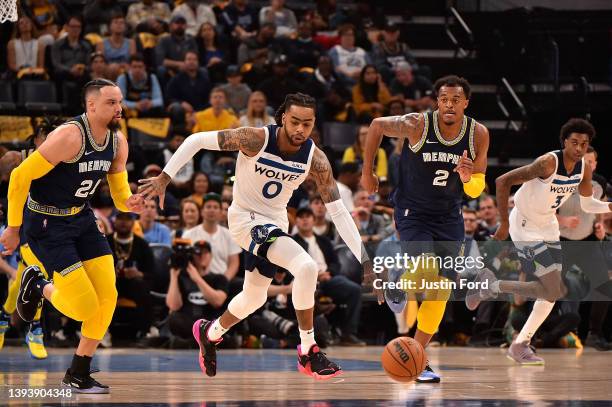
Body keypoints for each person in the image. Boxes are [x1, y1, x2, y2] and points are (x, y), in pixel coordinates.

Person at [139, 92, 379, 380]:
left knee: (253, 298)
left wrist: (366, 261)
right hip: (244, 219)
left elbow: (340, 214)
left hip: (275, 223)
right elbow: (196, 140)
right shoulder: (256, 139)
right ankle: (308, 350)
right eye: (295, 122)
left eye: (308, 124)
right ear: (282, 119)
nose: (301, 130)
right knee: (306, 267)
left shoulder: (317, 160)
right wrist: (165, 177)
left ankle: (209, 332)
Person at [0, 79, 145, 393]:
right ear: (91, 105)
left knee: (108, 297)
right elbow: (19, 175)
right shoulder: (70, 136)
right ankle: (37, 285)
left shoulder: (118, 142)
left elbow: (120, 194)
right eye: (111, 103)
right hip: (46, 224)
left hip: (81, 219)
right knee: (82, 307)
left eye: (120, 102)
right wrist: (12, 228)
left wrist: (130, 203)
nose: (119, 108)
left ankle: (78, 373)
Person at [361, 75, 490, 383]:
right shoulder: (417, 124)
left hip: (448, 214)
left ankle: (417, 357)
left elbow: (476, 190)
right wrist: (368, 172)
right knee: (425, 267)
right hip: (413, 210)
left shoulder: (479, 134)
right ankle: (397, 283)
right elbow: (377, 124)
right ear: (437, 101)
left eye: (456, 100)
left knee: (441, 290)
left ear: (466, 103)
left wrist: (469, 176)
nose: (449, 105)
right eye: (444, 99)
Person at [467, 118, 612, 364]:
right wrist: (503, 223)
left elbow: (588, 204)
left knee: (551, 294)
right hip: (524, 225)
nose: (579, 148)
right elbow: (503, 181)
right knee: (552, 289)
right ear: (565, 142)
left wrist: (609, 205)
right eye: (574, 142)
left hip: (547, 225)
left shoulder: (583, 169)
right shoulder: (547, 163)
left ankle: (518, 342)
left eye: (584, 144)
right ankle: (497, 297)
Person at [0, 118, 62, 359]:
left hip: (50, 222)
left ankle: (4, 316)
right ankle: (35, 328)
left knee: (25, 277)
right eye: (46, 137)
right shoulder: (18, 157)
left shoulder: (67, 159)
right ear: (36, 140)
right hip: (23, 222)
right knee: (37, 270)